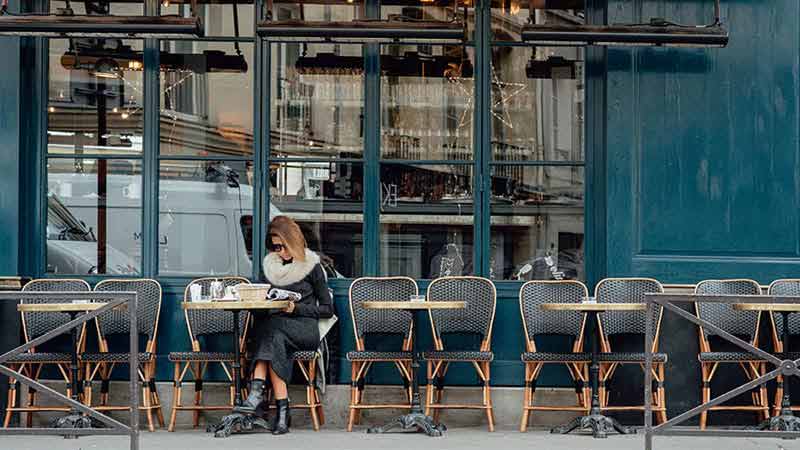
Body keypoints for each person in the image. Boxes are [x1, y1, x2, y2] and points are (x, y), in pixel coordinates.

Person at [235, 215, 334, 435]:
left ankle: (256, 394)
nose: (279, 251)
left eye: (282, 246)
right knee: (274, 335)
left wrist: (295, 308)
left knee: (270, 332)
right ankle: (282, 413)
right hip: (276, 329)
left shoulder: (312, 266)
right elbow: (261, 304)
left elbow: (327, 309)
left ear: (293, 242)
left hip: (304, 328)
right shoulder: (270, 267)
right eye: (275, 247)